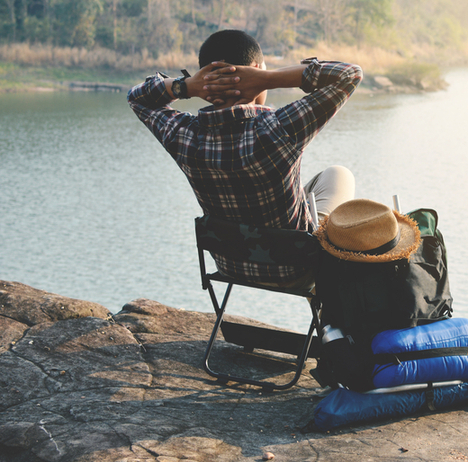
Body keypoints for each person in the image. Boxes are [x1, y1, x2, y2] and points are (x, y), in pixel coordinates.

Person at [127, 29, 363, 285]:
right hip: (297, 267)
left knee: (307, 188)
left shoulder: (184, 136)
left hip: (231, 265)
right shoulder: (279, 128)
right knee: (339, 174)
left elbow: (137, 98)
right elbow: (349, 74)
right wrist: (270, 78)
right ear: (255, 70)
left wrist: (186, 86)